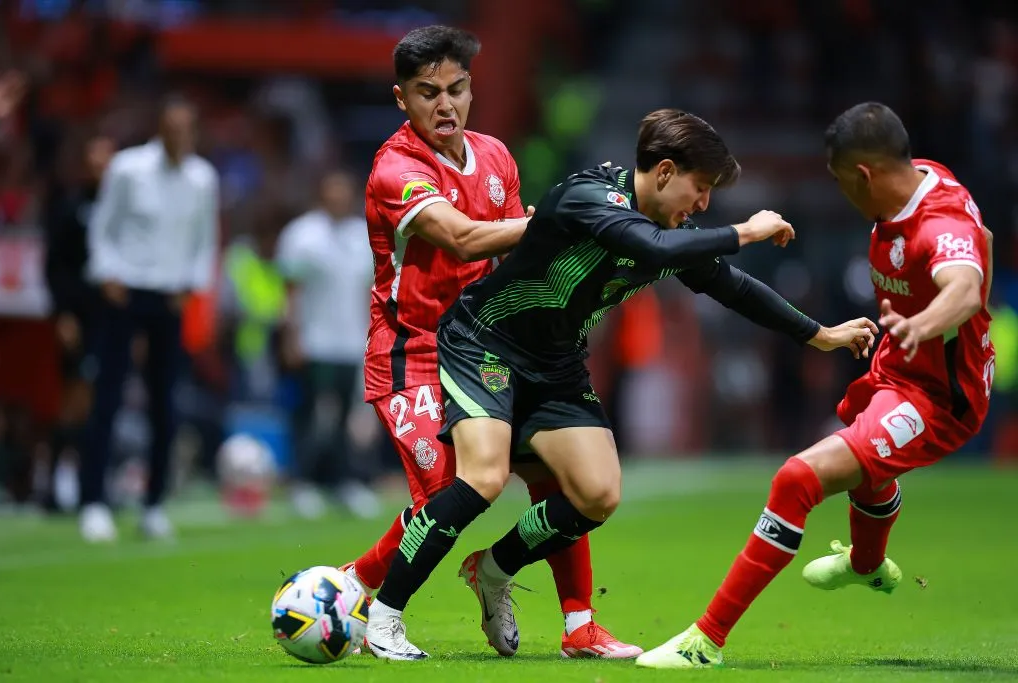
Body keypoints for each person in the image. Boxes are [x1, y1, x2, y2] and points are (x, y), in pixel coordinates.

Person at [364, 107, 878, 660]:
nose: (703, 204)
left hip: (556, 366)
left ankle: (492, 569)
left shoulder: (668, 229)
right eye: (699, 188)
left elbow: (731, 287)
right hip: (486, 344)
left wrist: (817, 334)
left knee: (596, 494)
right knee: (482, 479)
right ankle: (384, 617)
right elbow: (652, 249)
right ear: (662, 172)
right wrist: (744, 231)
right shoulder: (590, 197)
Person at [636, 102, 995, 669]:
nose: (843, 196)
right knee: (861, 459)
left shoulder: (937, 223)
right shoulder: (921, 175)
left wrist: (925, 325)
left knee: (797, 478)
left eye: (841, 182)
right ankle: (867, 565)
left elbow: (966, 289)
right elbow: (988, 238)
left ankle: (704, 642)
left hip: (937, 399)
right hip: (898, 373)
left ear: (865, 175)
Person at [347, 25, 642, 660]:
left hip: (488, 347)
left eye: (456, 89)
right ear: (402, 99)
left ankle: (578, 625)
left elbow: (508, 257)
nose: (445, 105)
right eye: (428, 93)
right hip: (414, 353)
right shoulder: (396, 169)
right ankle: (358, 589)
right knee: (454, 490)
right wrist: (550, 223)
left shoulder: (496, 157)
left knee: (560, 481)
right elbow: (463, 238)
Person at [80, 95, 219, 542]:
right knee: (108, 395)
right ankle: (94, 502)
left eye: (187, 128)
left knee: (165, 402)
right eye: (172, 127)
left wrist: (192, 286)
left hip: (170, 297)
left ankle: (153, 503)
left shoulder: (202, 178)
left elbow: (204, 239)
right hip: (125, 291)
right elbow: (104, 224)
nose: (180, 136)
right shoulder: (127, 168)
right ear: (160, 127)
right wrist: (107, 274)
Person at [276, 170, 379, 519]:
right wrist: (291, 336)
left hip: (350, 341)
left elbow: (368, 292)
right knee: (311, 414)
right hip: (313, 340)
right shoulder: (302, 235)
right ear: (322, 193)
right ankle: (302, 482)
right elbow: (290, 291)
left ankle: (342, 481)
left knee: (343, 417)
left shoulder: (358, 236)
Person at [41, 133, 116, 511]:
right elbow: (55, 265)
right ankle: (55, 479)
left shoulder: (122, 210)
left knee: (106, 401)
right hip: (80, 317)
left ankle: (97, 480)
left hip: (112, 319)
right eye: (94, 159)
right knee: (75, 399)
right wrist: (63, 313)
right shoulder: (71, 207)